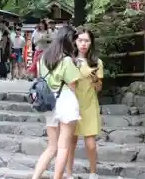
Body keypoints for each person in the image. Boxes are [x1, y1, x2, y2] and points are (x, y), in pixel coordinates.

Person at [31, 26, 81, 179]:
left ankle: (35, 177)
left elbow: (42, 78)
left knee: (51, 147)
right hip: (65, 101)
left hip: (49, 102)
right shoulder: (66, 60)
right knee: (63, 146)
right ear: (69, 41)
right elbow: (73, 84)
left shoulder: (43, 58)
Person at [66, 27, 104, 179]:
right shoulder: (70, 60)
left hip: (90, 104)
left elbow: (99, 88)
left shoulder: (97, 62)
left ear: (91, 42)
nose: (83, 44)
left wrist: (94, 77)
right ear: (75, 41)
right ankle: (69, 174)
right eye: (80, 40)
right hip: (72, 104)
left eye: (86, 40)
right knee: (71, 142)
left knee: (91, 144)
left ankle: (93, 173)